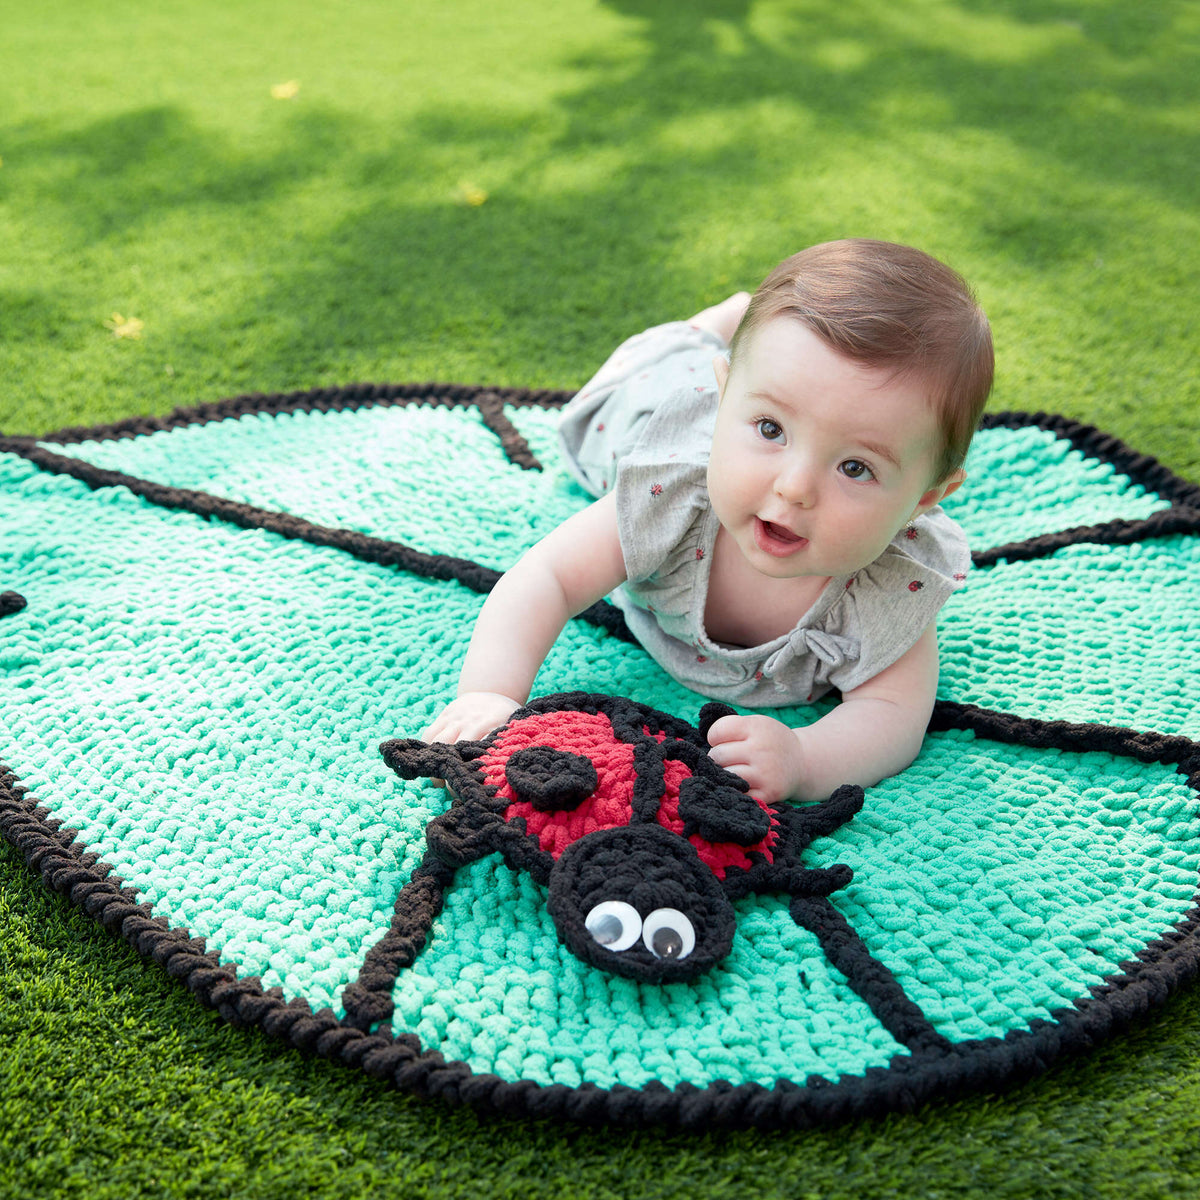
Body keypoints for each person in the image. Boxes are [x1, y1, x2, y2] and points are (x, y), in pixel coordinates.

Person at [422, 239, 993, 804]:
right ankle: (710, 328)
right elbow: (547, 576)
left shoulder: (892, 589)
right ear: (724, 405)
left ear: (926, 498)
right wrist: (492, 692)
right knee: (627, 398)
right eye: (771, 429)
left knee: (756, 384)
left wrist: (804, 759)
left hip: (742, 400)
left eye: (854, 467)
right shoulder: (668, 494)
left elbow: (890, 718)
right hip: (642, 410)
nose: (793, 487)